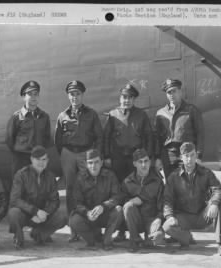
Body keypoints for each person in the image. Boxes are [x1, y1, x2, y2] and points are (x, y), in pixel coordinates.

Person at [103, 83, 154, 242]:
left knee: (136, 193)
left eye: (130, 98)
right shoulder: (112, 115)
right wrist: (106, 157)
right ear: (120, 98)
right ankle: (120, 231)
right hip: (118, 160)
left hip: (135, 159)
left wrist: (148, 158)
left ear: (134, 99)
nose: (127, 100)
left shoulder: (141, 115)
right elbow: (106, 138)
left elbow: (148, 138)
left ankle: (139, 229)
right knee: (120, 194)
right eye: (124, 97)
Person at [54, 80, 103, 242]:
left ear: (82, 95)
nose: (74, 97)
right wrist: (65, 154)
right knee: (70, 190)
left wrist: (95, 156)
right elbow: (58, 140)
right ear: (68, 96)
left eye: (77, 94)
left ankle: (90, 224)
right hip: (68, 153)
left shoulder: (91, 114)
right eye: (72, 94)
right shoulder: (63, 116)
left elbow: (99, 137)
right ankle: (73, 229)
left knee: (88, 188)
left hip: (85, 153)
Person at [162, 142, 221, 256]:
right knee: (167, 226)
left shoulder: (206, 173)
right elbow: (167, 199)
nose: (189, 159)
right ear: (181, 158)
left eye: (192, 155)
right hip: (183, 217)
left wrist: (213, 203)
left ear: (196, 156)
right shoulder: (174, 177)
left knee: (219, 205)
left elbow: (218, 190)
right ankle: (186, 239)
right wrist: (169, 216)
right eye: (186, 156)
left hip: (202, 215)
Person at [8, 146, 67, 249]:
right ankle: (18, 236)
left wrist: (45, 212)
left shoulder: (50, 177)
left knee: (61, 217)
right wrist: (35, 211)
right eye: (37, 159)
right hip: (25, 213)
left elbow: (55, 201)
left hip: (42, 215)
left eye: (44, 159)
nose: (41, 162)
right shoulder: (21, 174)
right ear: (31, 159)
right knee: (13, 213)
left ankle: (39, 234)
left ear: (48, 161)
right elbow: (15, 199)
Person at [69, 149, 123, 250]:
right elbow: (76, 202)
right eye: (90, 163)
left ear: (101, 162)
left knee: (119, 210)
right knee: (74, 220)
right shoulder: (80, 178)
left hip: (105, 214)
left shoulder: (110, 175)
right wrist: (86, 212)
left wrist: (104, 206)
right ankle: (93, 240)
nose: (93, 166)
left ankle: (107, 240)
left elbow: (117, 197)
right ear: (86, 164)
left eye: (96, 162)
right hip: (89, 216)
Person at [154, 79, 204, 178]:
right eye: (169, 92)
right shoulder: (160, 113)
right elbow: (157, 137)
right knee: (171, 184)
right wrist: (157, 157)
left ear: (180, 92)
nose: (172, 94)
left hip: (187, 153)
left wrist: (198, 155)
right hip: (168, 155)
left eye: (174, 91)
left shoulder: (191, 110)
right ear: (166, 95)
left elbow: (200, 133)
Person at [120, 148, 165, 252]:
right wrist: (132, 201)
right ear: (134, 164)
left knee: (158, 238)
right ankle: (134, 239)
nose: (144, 165)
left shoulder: (157, 181)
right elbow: (122, 201)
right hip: (135, 221)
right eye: (140, 162)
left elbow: (163, 203)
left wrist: (159, 218)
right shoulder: (127, 182)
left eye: (146, 161)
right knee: (128, 206)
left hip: (151, 220)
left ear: (150, 162)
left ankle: (147, 238)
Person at [6, 80, 51, 176]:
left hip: (38, 158)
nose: (33, 97)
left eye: (36, 94)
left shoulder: (44, 117)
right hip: (21, 158)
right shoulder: (16, 117)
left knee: (38, 185)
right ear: (23, 97)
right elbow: (9, 139)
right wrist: (20, 151)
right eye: (30, 94)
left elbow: (47, 138)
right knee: (20, 186)